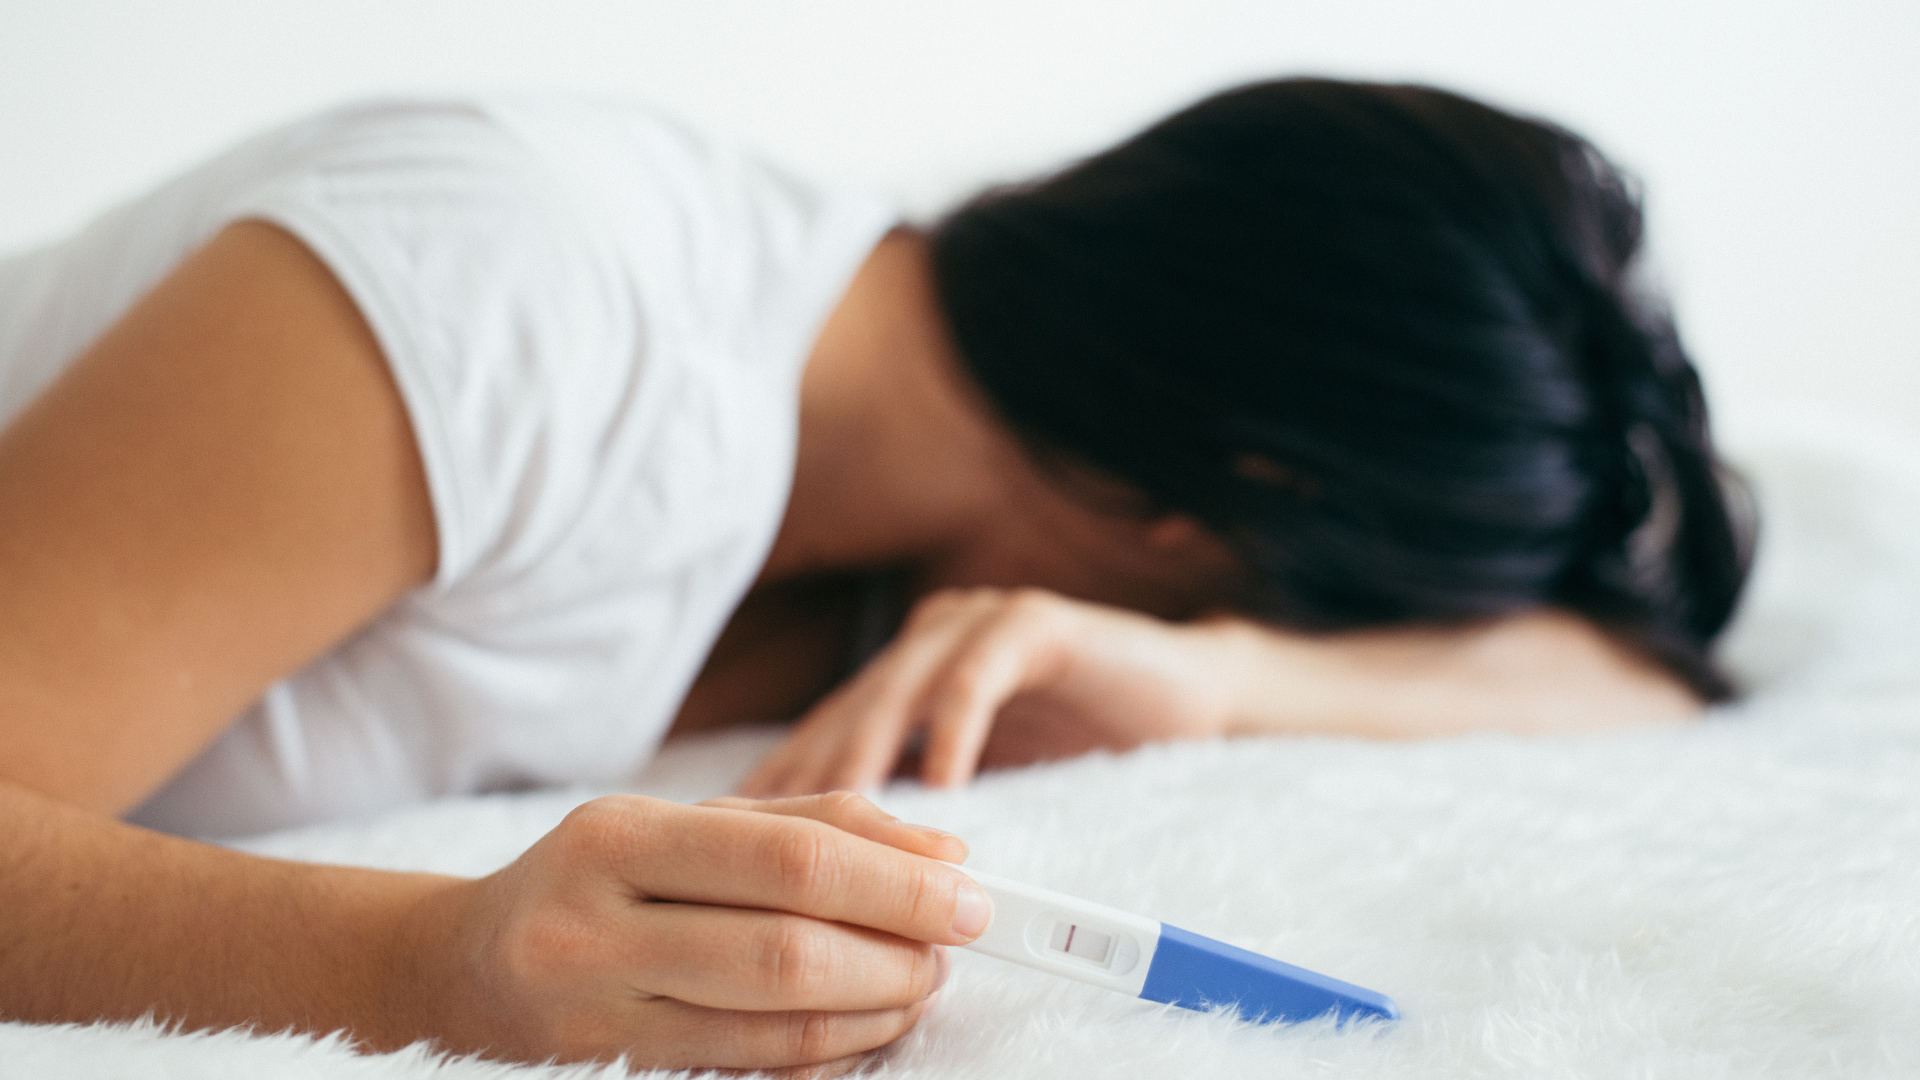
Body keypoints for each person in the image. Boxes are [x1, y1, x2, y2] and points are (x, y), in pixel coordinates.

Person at [0, 78, 1750, 1073]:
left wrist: (1223, 674)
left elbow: (1615, 676)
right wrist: (414, 977)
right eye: (1316, 605)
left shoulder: (895, 552)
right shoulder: (521, 283)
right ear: (1229, 498)